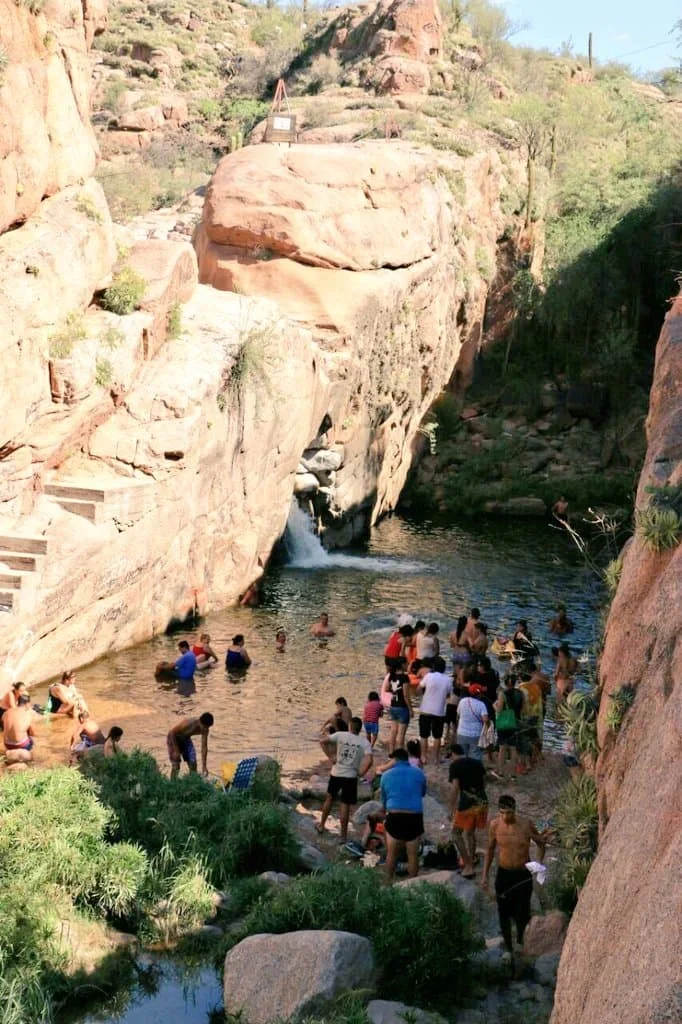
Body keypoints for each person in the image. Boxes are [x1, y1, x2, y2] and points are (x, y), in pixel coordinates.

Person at [481, 795, 546, 960]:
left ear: (514, 811)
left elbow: (541, 843)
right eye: (502, 813)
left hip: (522, 872)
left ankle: (519, 942)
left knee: (522, 910)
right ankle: (508, 947)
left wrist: (538, 866)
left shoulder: (526, 824)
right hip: (504, 872)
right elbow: (489, 850)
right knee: (503, 911)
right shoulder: (495, 825)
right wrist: (484, 876)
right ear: (499, 812)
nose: (505, 817)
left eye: (509, 813)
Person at [318, 717, 373, 840]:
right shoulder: (364, 742)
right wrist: (361, 773)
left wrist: (330, 757)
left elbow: (322, 741)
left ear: (350, 727)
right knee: (345, 804)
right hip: (351, 776)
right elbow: (370, 760)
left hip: (336, 773)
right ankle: (343, 836)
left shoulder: (340, 735)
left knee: (329, 798)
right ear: (360, 729)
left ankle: (321, 825)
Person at [380, 747, 427, 879]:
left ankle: (388, 883)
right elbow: (422, 792)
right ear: (407, 759)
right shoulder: (419, 773)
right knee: (412, 855)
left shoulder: (386, 775)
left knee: (391, 854)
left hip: (395, 816)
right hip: (414, 817)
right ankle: (413, 884)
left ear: (394, 760)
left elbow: (384, 800)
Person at [449, 743, 488, 878]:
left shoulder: (455, 766)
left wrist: (451, 809)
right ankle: (472, 858)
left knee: (456, 833)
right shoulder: (477, 763)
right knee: (470, 833)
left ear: (453, 753)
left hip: (467, 804)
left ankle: (468, 865)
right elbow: (484, 783)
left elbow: (455, 789)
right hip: (482, 802)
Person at [418, 656, 452, 765]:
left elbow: (419, 689)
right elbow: (448, 695)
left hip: (425, 709)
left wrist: (422, 694)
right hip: (439, 711)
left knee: (424, 735)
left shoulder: (429, 676)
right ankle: (436, 759)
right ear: (444, 668)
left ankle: (423, 757)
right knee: (437, 736)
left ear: (433, 667)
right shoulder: (448, 679)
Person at [167, 713, 214, 778]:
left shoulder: (205, 730)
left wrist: (204, 766)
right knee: (176, 765)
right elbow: (172, 732)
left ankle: (191, 783)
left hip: (185, 739)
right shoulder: (190, 723)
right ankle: (172, 784)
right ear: (200, 722)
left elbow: (204, 747)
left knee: (193, 763)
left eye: (208, 727)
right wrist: (176, 750)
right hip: (174, 738)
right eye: (205, 727)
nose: (206, 729)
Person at [494, 675, 523, 781]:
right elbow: (522, 708)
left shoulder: (503, 694)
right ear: (514, 683)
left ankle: (501, 773)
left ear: (505, 683)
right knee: (513, 748)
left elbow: (499, 710)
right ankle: (513, 775)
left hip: (504, 723)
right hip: (515, 722)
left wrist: (494, 705)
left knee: (502, 748)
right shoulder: (520, 693)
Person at [381, 658, 412, 753]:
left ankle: (391, 752)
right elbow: (406, 695)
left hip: (393, 706)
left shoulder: (391, 676)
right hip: (402, 706)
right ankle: (400, 753)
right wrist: (410, 709)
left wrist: (395, 691)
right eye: (407, 663)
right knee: (401, 734)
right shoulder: (404, 677)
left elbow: (386, 689)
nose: (408, 665)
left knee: (393, 731)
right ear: (402, 665)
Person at [455, 684, 489, 760]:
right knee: (475, 755)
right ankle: (474, 771)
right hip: (476, 734)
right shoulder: (481, 704)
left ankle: (463, 770)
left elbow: (458, 714)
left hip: (462, 732)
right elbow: (485, 720)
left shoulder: (462, 701)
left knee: (462, 755)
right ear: (479, 694)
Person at [518, 672, 544, 767]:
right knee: (535, 736)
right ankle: (538, 756)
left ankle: (528, 762)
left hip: (526, 717)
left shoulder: (520, 689)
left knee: (525, 739)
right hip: (537, 715)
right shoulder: (536, 687)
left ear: (520, 677)